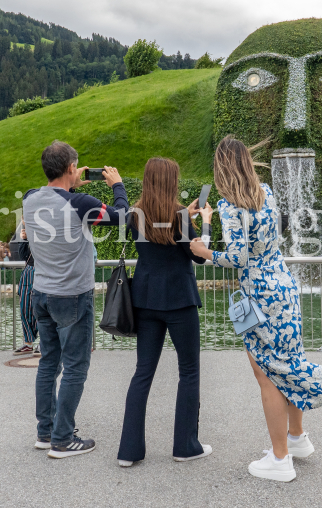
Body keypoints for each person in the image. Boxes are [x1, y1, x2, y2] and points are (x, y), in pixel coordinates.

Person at [190, 136, 322, 483]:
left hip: (259, 296)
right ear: (247, 162)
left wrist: (204, 253)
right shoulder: (267, 193)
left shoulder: (229, 207)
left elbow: (238, 258)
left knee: (267, 375)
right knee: (286, 364)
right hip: (285, 287)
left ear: (221, 168)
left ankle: (280, 460)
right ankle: (296, 438)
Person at [23, 140, 128, 459]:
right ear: (72, 168)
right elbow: (121, 217)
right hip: (71, 296)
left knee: (49, 363)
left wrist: (70, 183)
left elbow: (55, 196)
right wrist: (118, 185)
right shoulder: (80, 203)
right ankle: (63, 438)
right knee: (76, 367)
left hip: (41, 292)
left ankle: (46, 432)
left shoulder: (29, 199)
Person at [117, 157, 212, 468]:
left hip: (145, 300)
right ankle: (185, 446)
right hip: (180, 301)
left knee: (142, 373)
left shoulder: (134, 214)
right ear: (172, 182)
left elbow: (160, 232)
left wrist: (189, 215)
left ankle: (128, 451)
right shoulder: (180, 216)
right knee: (189, 372)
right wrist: (205, 221)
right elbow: (198, 256)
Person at [11, 221, 38, 356]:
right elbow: (23, 256)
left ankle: (45, 342)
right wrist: (24, 239)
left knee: (42, 308)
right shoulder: (29, 232)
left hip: (42, 271)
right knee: (25, 308)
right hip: (29, 271)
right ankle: (28, 343)